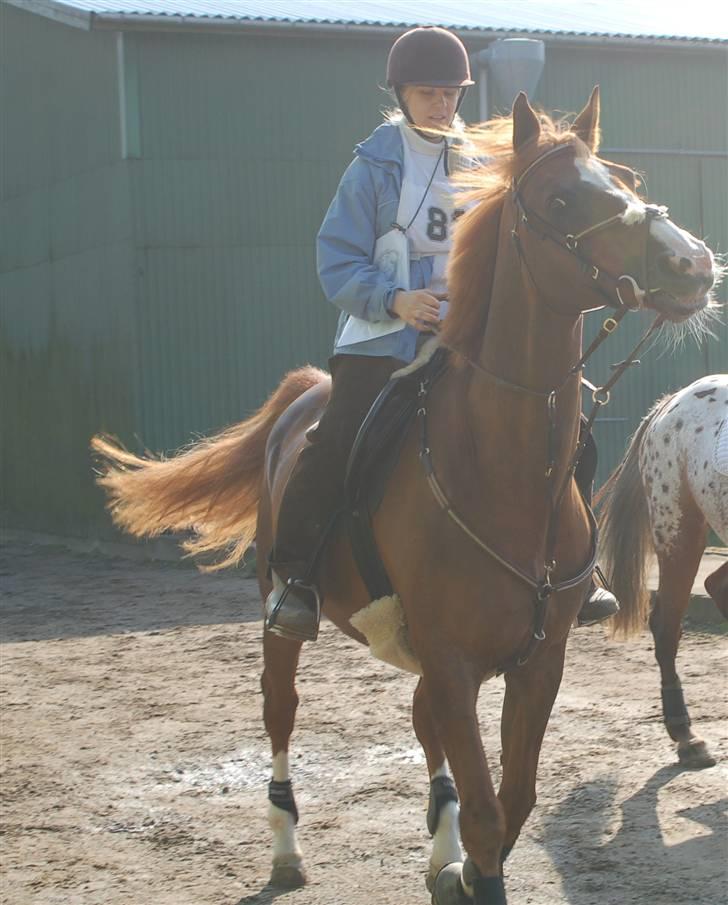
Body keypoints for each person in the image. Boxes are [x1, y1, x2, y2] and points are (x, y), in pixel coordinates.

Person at [264, 26, 618, 642]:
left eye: (451, 93)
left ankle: (576, 570)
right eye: (428, 93)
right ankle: (294, 580)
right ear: (401, 94)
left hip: (466, 341)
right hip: (381, 339)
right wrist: (396, 299)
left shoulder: (480, 166)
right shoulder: (372, 166)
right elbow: (336, 260)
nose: (441, 104)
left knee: (572, 433)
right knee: (334, 441)